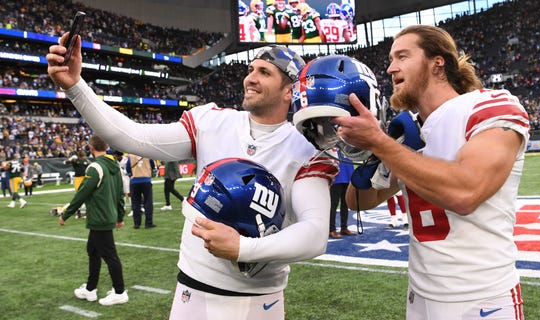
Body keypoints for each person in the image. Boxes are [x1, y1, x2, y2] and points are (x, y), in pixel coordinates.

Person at [48, 40, 338, 319]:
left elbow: (314, 234)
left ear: (290, 91)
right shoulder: (212, 121)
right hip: (193, 289)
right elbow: (131, 136)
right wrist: (75, 86)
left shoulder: (306, 149)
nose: (250, 78)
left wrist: (243, 249)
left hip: (261, 297)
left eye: (264, 72)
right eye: (251, 69)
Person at [334, 25, 529, 319]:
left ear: (438, 63)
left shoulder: (488, 106)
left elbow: (466, 193)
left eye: (402, 56)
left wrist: (381, 143)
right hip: (420, 296)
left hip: (482, 297)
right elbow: (358, 201)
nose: (390, 68)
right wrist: (371, 151)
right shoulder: (409, 130)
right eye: (390, 58)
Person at [58, 135, 128, 306]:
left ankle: (119, 292)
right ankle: (90, 289)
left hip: (99, 218)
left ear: (91, 148)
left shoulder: (95, 167)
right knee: (93, 251)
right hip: (106, 217)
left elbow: (82, 193)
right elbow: (120, 195)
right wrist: (120, 217)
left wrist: (66, 214)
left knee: (109, 255)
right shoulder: (115, 166)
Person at [329, 150, 356, 239]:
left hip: (348, 174)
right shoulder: (333, 140)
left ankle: (344, 227)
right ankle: (331, 229)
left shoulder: (349, 141)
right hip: (336, 176)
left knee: (345, 203)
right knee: (333, 204)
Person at [126, 153, 156, 229]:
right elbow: (153, 166)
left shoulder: (130, 156)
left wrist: (132, 175)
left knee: (135, 203)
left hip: (134, 181)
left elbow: (128, 168)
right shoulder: (148, 156)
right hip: (146, 180)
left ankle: (137, 223)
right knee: (148, 202)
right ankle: (148, 223)